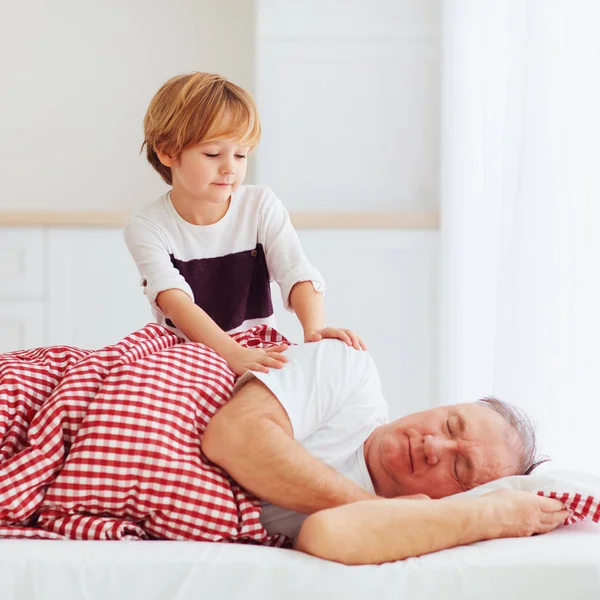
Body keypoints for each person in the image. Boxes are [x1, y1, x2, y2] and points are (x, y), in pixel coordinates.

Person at [201, 338, 570, 563]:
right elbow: (233, 435)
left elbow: (325, 535)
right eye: (449, 424)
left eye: (460, 469)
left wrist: (484, 517)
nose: (433, 446)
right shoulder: (349, 371)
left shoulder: (417, 526)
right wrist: (374, 506)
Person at [124, 72, 364, 376]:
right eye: (213, 153)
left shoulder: (261, 206)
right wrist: (231, 354)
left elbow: (296, 272)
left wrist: (315, 332)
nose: (230, 168)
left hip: (257, 350)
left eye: (241, 154)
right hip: (186, 361)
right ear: (168, 152)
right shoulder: (147, 227)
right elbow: (176, 305)